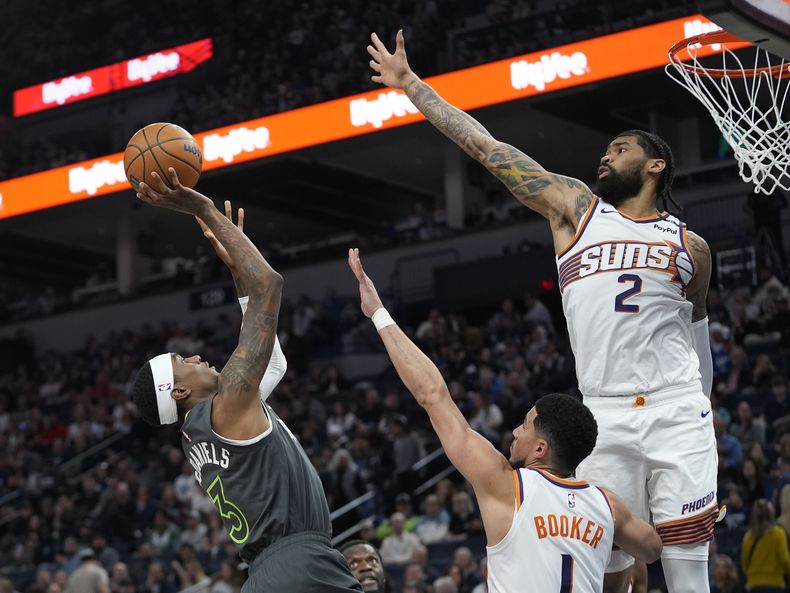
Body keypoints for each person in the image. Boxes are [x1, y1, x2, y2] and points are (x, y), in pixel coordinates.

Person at [367, 30, 717, 593]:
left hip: (678, 406)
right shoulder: (574, 207)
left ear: (656, 165)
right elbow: (487, 148)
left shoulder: (691, 247)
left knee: (686, 564)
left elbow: (695, 327)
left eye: (621, 149)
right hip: (604, 410)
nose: (607, 155)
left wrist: (703, 403)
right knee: (614, 573)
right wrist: (412, 85)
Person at [348, 248, 662, 592]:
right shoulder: (608, 505)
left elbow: (432, 395)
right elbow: (651, 547)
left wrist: (378, 313)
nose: (515, 431)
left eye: (525, 425)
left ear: (541, 448)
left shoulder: (508, 487)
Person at [131, 169, 361, 593]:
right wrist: (202, 208)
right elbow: (270, 285)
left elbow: (272, 364)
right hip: (301, 567)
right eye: (184, 360)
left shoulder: (207, 428)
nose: (198, 356)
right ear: (178, 391)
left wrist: (239, 264)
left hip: (266, 576)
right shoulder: (228, 407)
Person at [741, 499, 790, 593]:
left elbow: (745, 564)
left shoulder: (748, 536)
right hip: (775, 585)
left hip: (753, 585)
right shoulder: (778, 533)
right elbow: (784, 560)